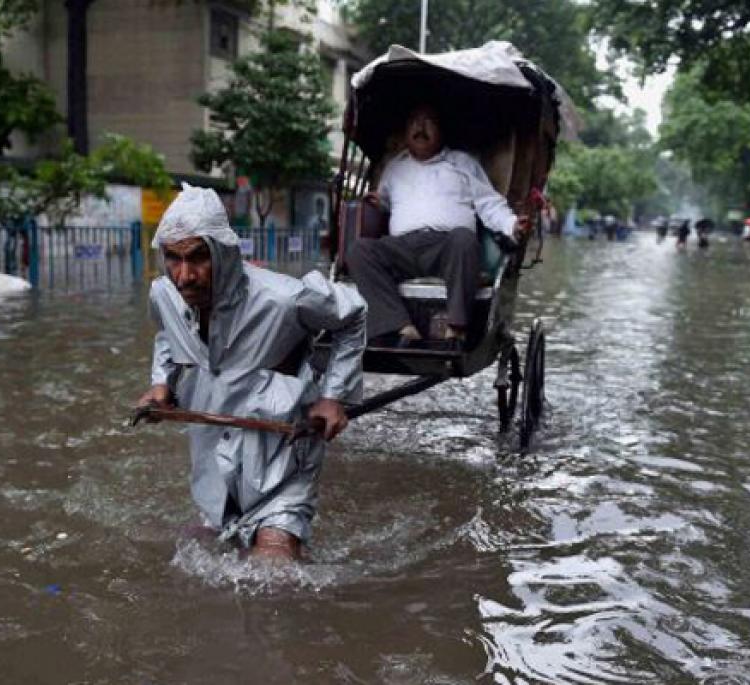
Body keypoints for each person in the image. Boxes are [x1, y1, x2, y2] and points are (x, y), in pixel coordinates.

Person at [136, 185, 367, 562]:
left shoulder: (282, 298)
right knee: (214, 551)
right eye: (173, 259)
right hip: (212, 449)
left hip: (281, 450)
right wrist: (162, 384)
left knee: (272, 565)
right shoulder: (164, 295)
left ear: (224, 254)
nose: (184, 276)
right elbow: (168, 336)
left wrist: (333, 396)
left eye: (197, 258)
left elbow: (353, 314)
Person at [345, 104, 528, 347]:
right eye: (414, 122)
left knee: (463, 238)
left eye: (428, 122)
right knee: (359, 251)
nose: (420, 128)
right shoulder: (395, 168)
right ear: (406, 131)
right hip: (404, 248)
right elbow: (387, 202)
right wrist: (379, 203)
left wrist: (512, 225)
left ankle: (455, 330)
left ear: (442, 131)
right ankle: (401, 327)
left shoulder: (462, 163)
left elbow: (489, 204)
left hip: (448, 246)